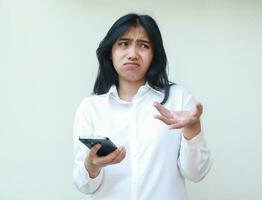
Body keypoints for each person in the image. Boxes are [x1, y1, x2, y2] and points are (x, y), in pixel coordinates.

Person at [73, 13, 212, 200]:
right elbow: (84, 186)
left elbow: (196, 174)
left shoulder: (178, 98)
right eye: (124, 43)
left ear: (154, 55)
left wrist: (192, 127)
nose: (133, 54)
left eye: (144, 46)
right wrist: (92, 165)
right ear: (110, 52)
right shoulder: (90, 108)